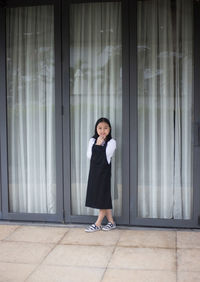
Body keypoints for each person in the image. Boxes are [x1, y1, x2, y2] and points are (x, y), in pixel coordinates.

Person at [85, 117, 116, 232]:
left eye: (105, 128)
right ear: (96, 129)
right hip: (94, 173)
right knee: (104, 197)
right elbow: (89, 156)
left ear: (110, 129)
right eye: (100, 128)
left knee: (102, 197)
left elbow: (107, 154)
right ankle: (111, 222)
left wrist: (98, 146)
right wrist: (97, 144)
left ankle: (97, 223)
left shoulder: (112, 142)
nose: (103, 131)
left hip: (104, 174)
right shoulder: (92, 140)